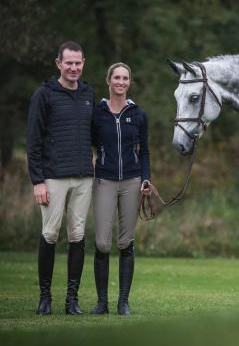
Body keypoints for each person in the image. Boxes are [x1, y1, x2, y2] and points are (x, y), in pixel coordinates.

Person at [27, 41, 95, 315]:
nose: (74, 67)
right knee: (50, 234)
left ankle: (72, 300)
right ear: (59, 64)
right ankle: (45, 298)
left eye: (78, 63)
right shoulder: (44, 95)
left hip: (83, 178)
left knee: (77, 236)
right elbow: (33, 141)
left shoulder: (89, 94)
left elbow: (98, 132)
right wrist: (37, 181)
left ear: (83, 63)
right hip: (53, 177)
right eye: (69, 63)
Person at [90, 62, 151, 315]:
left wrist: (145, 178)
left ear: (129, 82)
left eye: (125, 78)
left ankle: (123, 302)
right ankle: (102, 302)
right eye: (116, 77)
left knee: (126, 242)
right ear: (108, 81)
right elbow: (91, 144)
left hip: (132, 182)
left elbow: (145, 151)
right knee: (103, 243)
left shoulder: (138, 115)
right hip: (104, 180)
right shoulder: (97, 113)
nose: (121, 82)